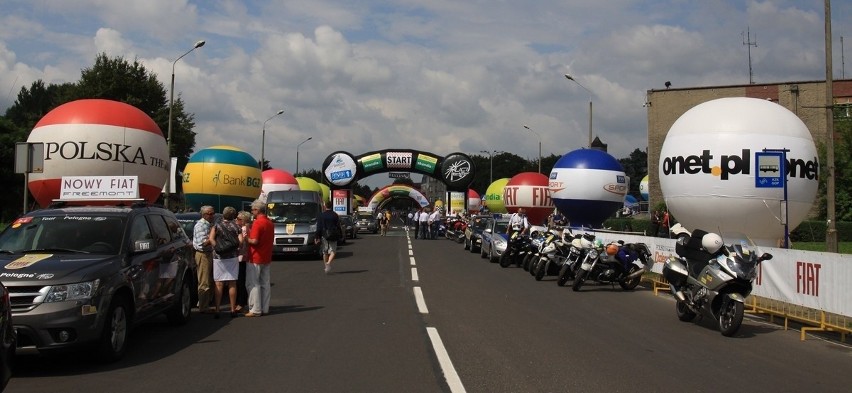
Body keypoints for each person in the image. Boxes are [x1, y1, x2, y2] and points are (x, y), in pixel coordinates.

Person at [209, 206, 242, 319]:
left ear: (223, 214)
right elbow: (240, 241)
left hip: (218, 257)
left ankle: (217, 309)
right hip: (232, 257)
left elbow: (211, 238)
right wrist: (234, 247)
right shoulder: (237, 226)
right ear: (233, 215)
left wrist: (217, 247)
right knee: (232, 283)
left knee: (218, 283)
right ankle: (232, 309)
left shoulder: (217, 226)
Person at [245, 200, 273, 317]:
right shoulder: (270, 222)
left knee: (253, 283)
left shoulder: (257, 223)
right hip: (266, 256)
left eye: (253, 210)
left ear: (257, 210)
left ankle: (255, 309)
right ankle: (264, 307)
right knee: (265, 283)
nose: (252, 212)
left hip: (255, 256)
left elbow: (254, 241)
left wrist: (247, 238)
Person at [193, 205, 216, 313]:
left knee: (210, 280)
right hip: (203, 255)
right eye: (209, 214)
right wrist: (212, 238)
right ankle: (203, 307)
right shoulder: (200, 225)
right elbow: (202, 244)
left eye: (213, 213)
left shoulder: (210, 224)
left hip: (209, 254)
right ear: (203, 214)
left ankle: (206, 303)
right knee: (204, 281)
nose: (211, 216)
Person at [316, 200, 341, 273]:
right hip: (333, 234)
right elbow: (338, 226)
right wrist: (340, 234)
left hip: (324, 235)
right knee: (333, 251)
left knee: (325, 251)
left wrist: (317, 236)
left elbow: (319, 227)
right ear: (331, 206)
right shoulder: (335, 215)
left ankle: (326, 266)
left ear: (325, 206)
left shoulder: (321, 215)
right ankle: (328, 263)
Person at [234, 210, 251, 313]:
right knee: (241, 280)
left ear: (244, 220)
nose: (236, 220)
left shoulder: (243, 229)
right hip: (243, 257)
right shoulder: (246, 227)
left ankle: (241, 303)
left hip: (241, 257)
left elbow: (243, 244)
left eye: (239, 219)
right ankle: (241, 301)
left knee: (240, 281)